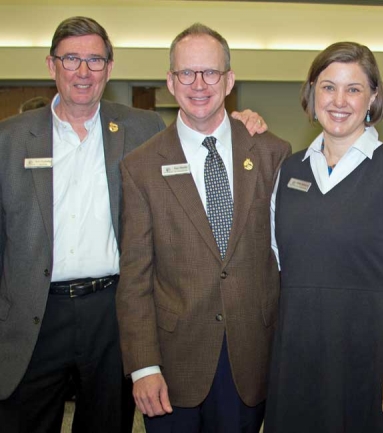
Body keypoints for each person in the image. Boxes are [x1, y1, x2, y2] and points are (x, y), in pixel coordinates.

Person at [0, 16, 266, 433]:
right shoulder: (9, 139)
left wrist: (243, 121)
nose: (83, 72)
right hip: (34, 315)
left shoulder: (141, 128)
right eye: (71, 60)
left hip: (110, 311)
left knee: (108, 423)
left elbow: (202, 129)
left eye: (95, 60)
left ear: (110, 66)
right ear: (51, 66)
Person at [115, 22, 291, 433]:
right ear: (170, 81)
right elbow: (135, 278)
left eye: (210, 72)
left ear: (229, 80)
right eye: (186, 73)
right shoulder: (140, 166)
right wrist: (142, 367)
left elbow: (288, 259)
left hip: (250, 359)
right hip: (173, 366)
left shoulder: (271, 153)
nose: (199, 83)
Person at [264, 41, 383, 433]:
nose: (339, 101)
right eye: (328, 87)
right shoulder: (287, 171)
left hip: (373, 361)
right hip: (300, 359)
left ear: (373, 96)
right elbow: (280, 267)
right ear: (311, 93)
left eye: (354, 88)